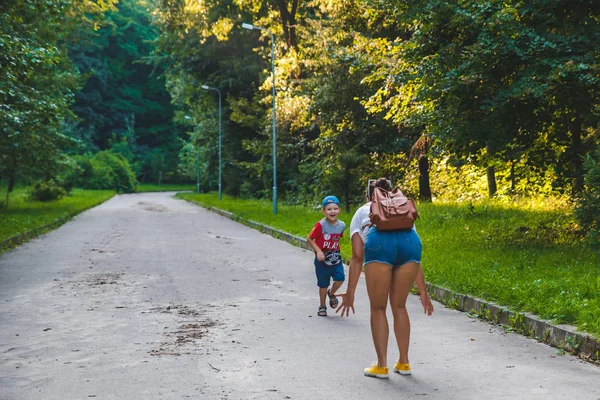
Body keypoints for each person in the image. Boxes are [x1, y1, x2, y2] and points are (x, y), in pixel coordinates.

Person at [336, 178, 434, 378]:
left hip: (380, 245)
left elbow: (356, 256)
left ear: (368, 196)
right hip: (410, 246)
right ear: (390, 194)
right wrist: (423, 291)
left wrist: (350, 292)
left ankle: (381, 366)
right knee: (399, 306)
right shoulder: (402, 210)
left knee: (378, 308)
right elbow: (415, 253)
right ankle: (404, 363)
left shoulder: (364, 210)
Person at [307, 195, 346, 317]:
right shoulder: (320, 225)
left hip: (335, 258)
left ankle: (332, 293)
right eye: (329, 209)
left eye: (335, 208)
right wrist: (318, 251)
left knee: (340, 278)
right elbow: (310, 238)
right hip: (322, 260)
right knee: (323, 284)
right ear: (324, 211)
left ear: (339, 209)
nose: (332, 211)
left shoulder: (341, 225)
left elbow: (337, 240)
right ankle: (322, 305)